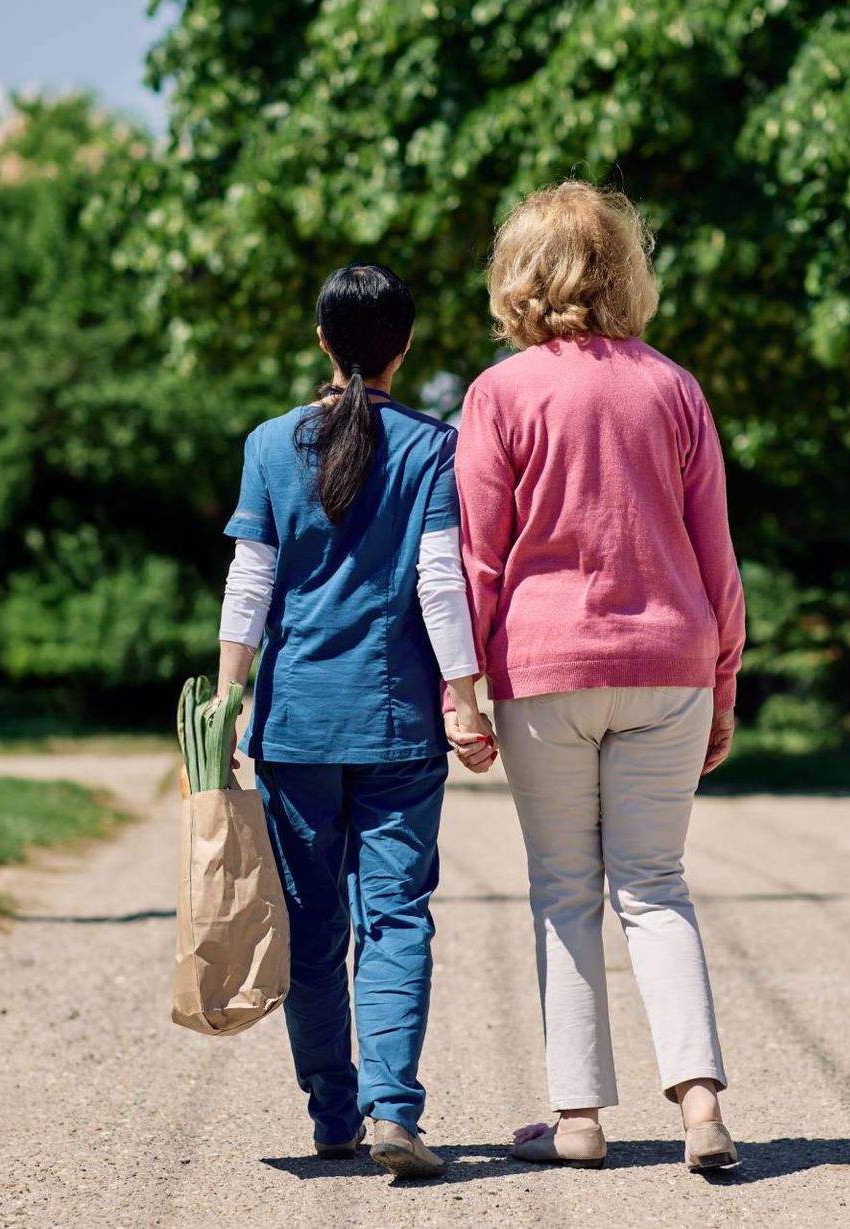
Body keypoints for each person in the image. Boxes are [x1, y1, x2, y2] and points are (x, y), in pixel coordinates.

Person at [448, 182, 746, 1172]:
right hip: (671, 664)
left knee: (564, 889)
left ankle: (577, 1118)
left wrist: (462, 691)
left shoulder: (498, 394)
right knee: (656, 885)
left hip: (544, 671)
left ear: (518, 277)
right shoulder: (674, 388)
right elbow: (717, 557)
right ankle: (700, 1105)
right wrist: (725, 684)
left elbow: (478, 561)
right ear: (625, 271)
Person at [215, 263, 498, 1179]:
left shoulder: (270, 444)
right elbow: (440, 582)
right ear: (403, 347)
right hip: (397, 725)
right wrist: (465, 699)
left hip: (294, 725)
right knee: (397, 917)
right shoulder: (433, 447)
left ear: (322, 342)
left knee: (310, 930)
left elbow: (251, 582)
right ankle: (394, 1109)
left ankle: (333, 1114)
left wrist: (227, 696)